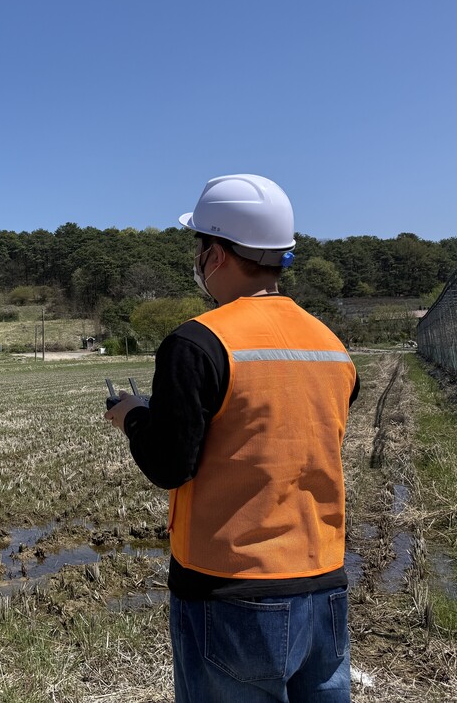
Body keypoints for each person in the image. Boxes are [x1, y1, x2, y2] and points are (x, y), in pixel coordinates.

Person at [105, 174, 359, 702]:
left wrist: (132, 417)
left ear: (216, 253)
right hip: (324, 585)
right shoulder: (331, 346)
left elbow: (170, 464)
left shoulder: (197, 342)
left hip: (230, 590)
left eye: (199, 247)